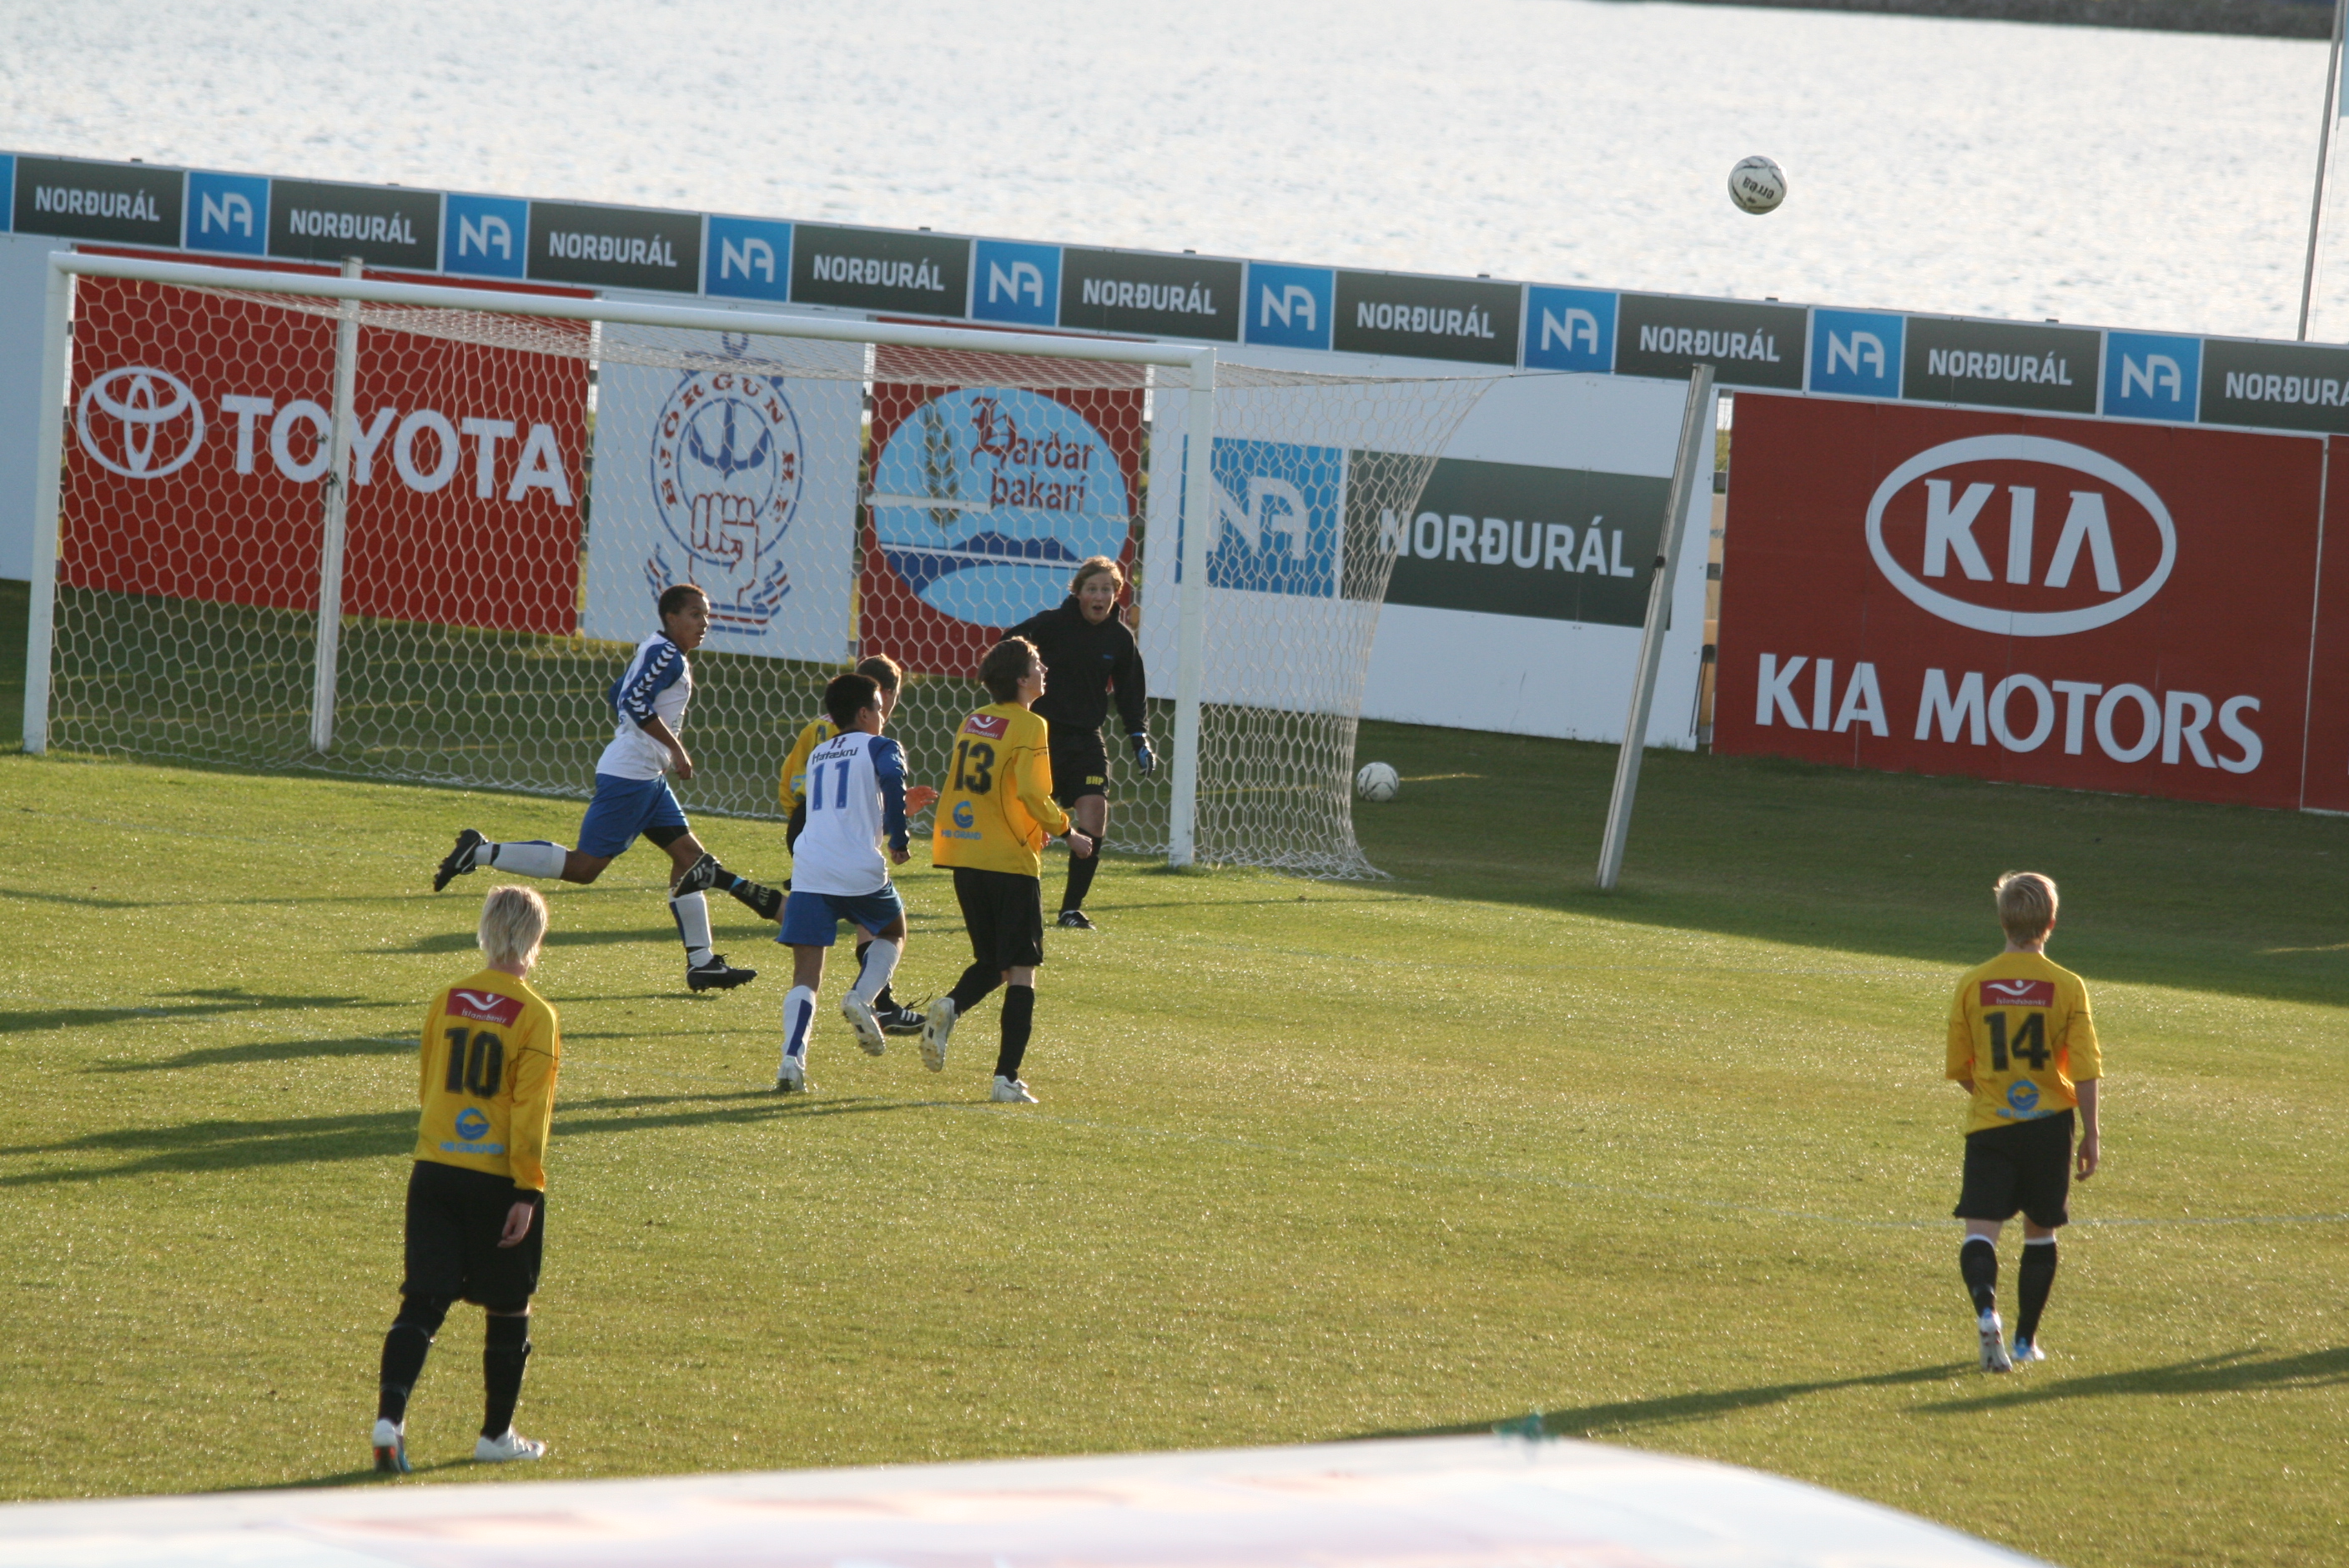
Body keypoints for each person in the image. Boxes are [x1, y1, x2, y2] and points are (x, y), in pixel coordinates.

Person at [430, 584, 778, 993]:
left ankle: (702, 963)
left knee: (690, 859)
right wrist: (675, 748)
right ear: (671, 618)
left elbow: (618, 693)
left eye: (706, 615)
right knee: (585, 868)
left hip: (646, 775)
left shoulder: (660, 649)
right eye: (695, 615)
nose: (704, 623)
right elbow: (633, 700)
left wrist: (648, 742)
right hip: (632, 775)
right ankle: (479, 851)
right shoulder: (666, 654)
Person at [371, 884, 561, 1472]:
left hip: (433, 1170)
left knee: (422, 1301)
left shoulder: (447, 999)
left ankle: (389, 1420)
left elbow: (428, 1081)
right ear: (535, 938)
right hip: (496, 1179)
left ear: (485, 930)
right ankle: (495, 1435)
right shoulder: (536, 1015)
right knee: (509, 1306)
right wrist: (527, 1189)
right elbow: (531, 1111)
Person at [926, 636, 1095, 1103]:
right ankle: (1006, 1079)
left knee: (992, 964)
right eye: (1038, 665)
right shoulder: (1031, 724)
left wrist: (1032, 825)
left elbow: (988, 789)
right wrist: (1067, 831)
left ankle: (950, 1006)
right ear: (1021, 679)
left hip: (965, 856)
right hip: (1009, 863)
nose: (1044, 671)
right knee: (1022, 970)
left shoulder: (974, 719)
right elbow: (1031, 792)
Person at [1946, 871, 2102, 1373]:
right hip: (2048, 1126)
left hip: (1991, 1125)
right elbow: (2085, 1069)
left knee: (1980, 1232)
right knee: (2040, 1233)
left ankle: (1985, 1309)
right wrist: (2092, 1133)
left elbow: (1960, 1065)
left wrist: (1993, 1096)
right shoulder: (2068, 986)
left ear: (2002, 920)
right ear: (2051, 923)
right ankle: (2023, 1342)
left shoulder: (1973, 983)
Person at [772, 673, 923, 1093]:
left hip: (810, 868)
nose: (882, 714)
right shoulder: (882, 746)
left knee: (805, 975)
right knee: (893, 931)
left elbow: (838, 811)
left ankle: (791, 1061)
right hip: (857, 868)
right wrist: (899, 836)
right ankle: (862, 997)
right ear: (864, 713)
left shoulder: (819, 753)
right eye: (879, 707)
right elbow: (891, 780)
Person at [1004, 555, 1150, 930]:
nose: (1100, 596)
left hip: (1085, 738)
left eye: (1107, 589)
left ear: (1117, 594)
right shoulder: (1050, 624)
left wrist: (1138, 737)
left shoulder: (1119, 638)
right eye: (1093, 589)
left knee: (1095, 811)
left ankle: (1070, 909)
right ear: (1078, 592)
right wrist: (1016, 699)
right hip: (1040, 735)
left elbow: (1130, 691)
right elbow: (1006, 648)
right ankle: (1013, 898)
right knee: (1023, 819)